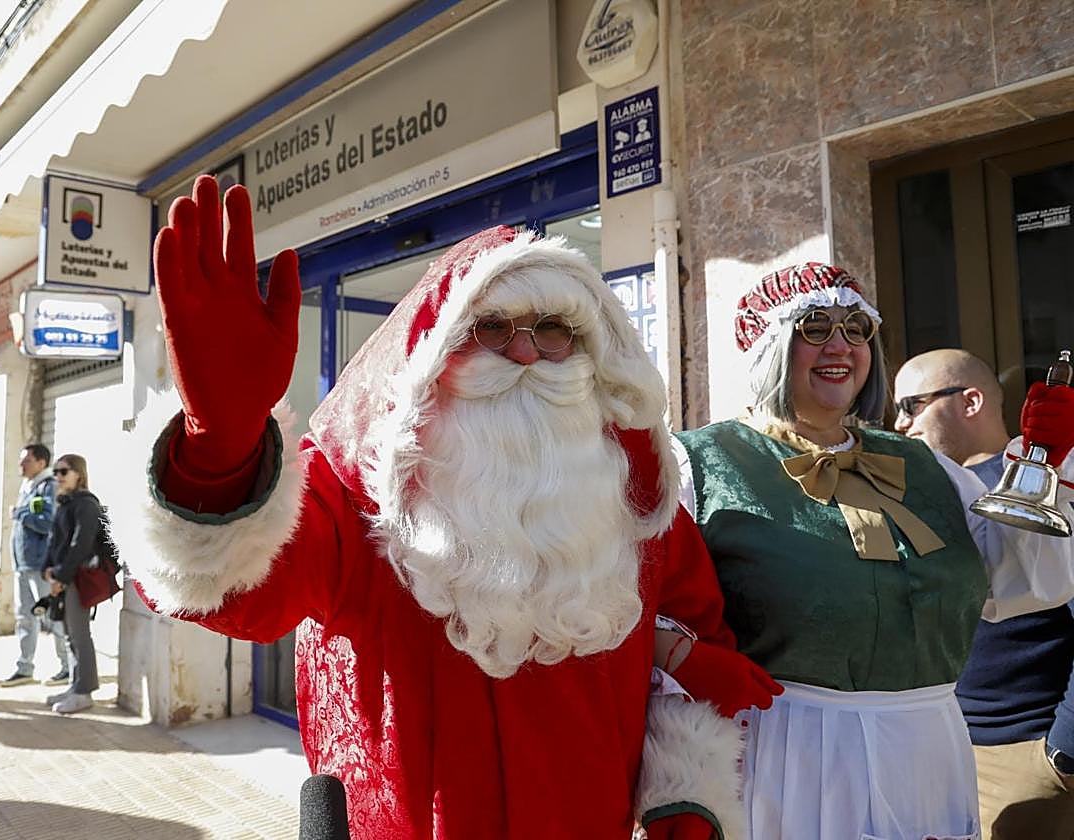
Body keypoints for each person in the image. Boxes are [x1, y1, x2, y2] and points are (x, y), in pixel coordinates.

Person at [113, 175, 780, 839]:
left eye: (554, 331)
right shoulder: (355, 499)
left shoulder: (635, 508)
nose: (526, 353)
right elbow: (238, 594)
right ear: (436, 355)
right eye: (492, 328)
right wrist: (219, 451)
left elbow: (693, 640)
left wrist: (684, 791)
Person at [664, 263, 1074, 840]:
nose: (840, 346)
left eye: (856, 328)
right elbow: (647, 614)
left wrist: (1047, 465)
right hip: (788, 755)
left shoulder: (927, 466)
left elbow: (1018, 584)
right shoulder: (696, 464)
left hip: (928, 750)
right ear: (767, 346)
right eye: (814, 327)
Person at [895, 348, 1074, 838]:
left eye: (911, 405)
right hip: (944, 750)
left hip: (1025, 752)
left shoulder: (1051, 480)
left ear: (970, 401)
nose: (900, 423)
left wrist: (1062, 753)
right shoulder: (924, 492)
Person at [0, 443, 71, 688]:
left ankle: (67, 667)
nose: (21, 464)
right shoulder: (28, 485)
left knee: (53, 615)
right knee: (25, 618)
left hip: (41, 565)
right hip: (24, 564)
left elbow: (48, 522)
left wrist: (20, 514)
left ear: (41, 463)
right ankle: (24, 668)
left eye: (26, 460)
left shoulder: (48, 486)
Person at [41, 453, 102, 715]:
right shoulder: (65, 503)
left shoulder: (86, 504)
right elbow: (54, 542)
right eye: (55, 472)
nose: (58, 476)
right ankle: (75, 686)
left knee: (80, 635)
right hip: (63, 577)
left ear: (79, 474)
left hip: (78, 578)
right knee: (69, 635)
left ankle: (84, 692)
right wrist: (47, 570)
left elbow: (81, 545)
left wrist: (61, 577)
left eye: (64, 471)